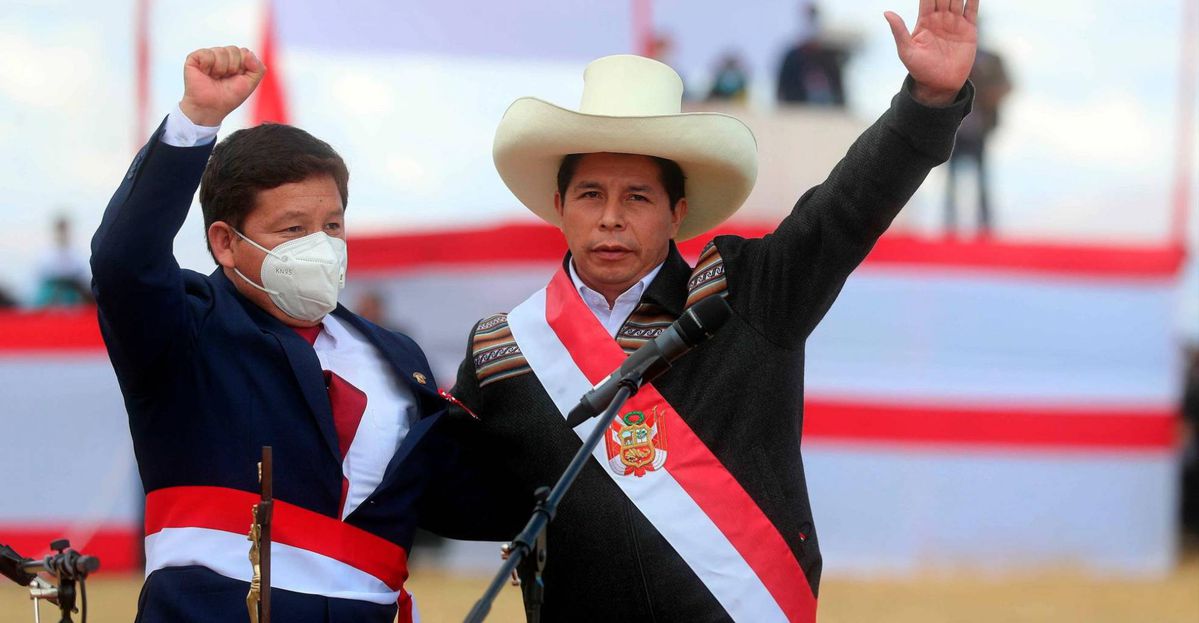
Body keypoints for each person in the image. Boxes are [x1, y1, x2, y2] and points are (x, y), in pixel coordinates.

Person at [447, 1, 978, 620]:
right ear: (560, 204)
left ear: (677, 212)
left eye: (638, 196)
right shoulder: (500, 348)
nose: (611, 217)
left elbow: (845, 211)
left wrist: (927, 103)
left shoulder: (747, 295)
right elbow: (455, 499)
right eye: (591, 194)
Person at [91, 46, 483, 622]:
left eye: (331, 226)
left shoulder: (398, 355)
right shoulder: (186, 329)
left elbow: (463, 497)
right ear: (225, 243)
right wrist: (196, 120)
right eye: (293, 229)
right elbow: (124, 260)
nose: (319, 247)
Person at [943, 31, 1010, 236]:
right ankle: (950, 225)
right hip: (956, 129)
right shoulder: (952, 57)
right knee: (952, 179)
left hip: (980, 129)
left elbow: (1006, 85)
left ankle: (984, 226)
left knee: (981, 179)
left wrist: (989, 96)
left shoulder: (992, 59)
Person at [776, 2, 852, 107]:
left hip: (829, 117)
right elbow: (782, 92)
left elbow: (840, 95)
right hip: (798, 113)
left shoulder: (830, 59)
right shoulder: (792, 58)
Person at [34, 215, 93, 307]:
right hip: (50, 296)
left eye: (64, 230)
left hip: (72, 295)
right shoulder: (45, 254)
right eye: (60, 230)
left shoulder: (77, 254)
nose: (62, 233)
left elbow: (82, 276)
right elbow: (40, 275)